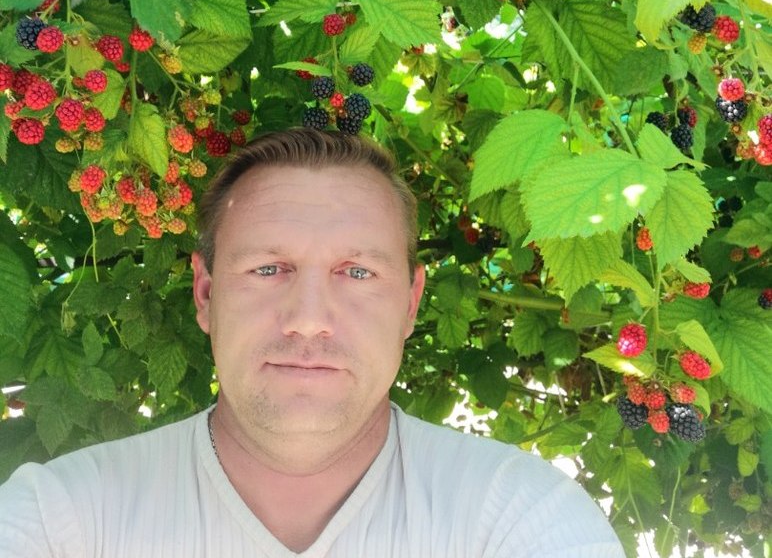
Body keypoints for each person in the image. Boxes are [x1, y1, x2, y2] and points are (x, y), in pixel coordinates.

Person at [0, 128, 624, 557]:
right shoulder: (63, 520)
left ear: (410, 303)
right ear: (206, 294)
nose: (307, 319)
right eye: (268, 268)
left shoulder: (517, 517)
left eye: (357, 273)